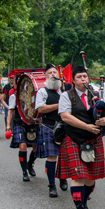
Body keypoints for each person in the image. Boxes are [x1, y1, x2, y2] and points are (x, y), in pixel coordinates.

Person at [56, 65, 105, 209]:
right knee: (78, 176)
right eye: (79, 77)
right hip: (73, 138)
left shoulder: (96, 95)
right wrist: (86, 126)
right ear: (73, 80)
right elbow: (65, 117)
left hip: (93, 140)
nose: (83, 79)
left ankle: (84, 201)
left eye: (85, 76)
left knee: (90, 179)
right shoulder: (66, 96)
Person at [34, 64, 68, 197]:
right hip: (49, 126)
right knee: (52, 157)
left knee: (64, 156)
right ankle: (52, 185)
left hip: (64, 126)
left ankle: (63, 178)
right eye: (50, 73)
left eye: (55, 72)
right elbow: (41, 109)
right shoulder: (42, 92)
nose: (53, 74)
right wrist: (59, 105)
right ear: (46, 76)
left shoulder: (63, 91)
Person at [6, 76, 39, 181]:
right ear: (16, 85)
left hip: (32, 124)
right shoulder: (14, 96)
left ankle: (30, 164)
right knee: (23, 146)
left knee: (36, 148)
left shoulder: (35, 95)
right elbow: (10, 111)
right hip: (19, 123)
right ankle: (24, 171)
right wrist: (8, 126)